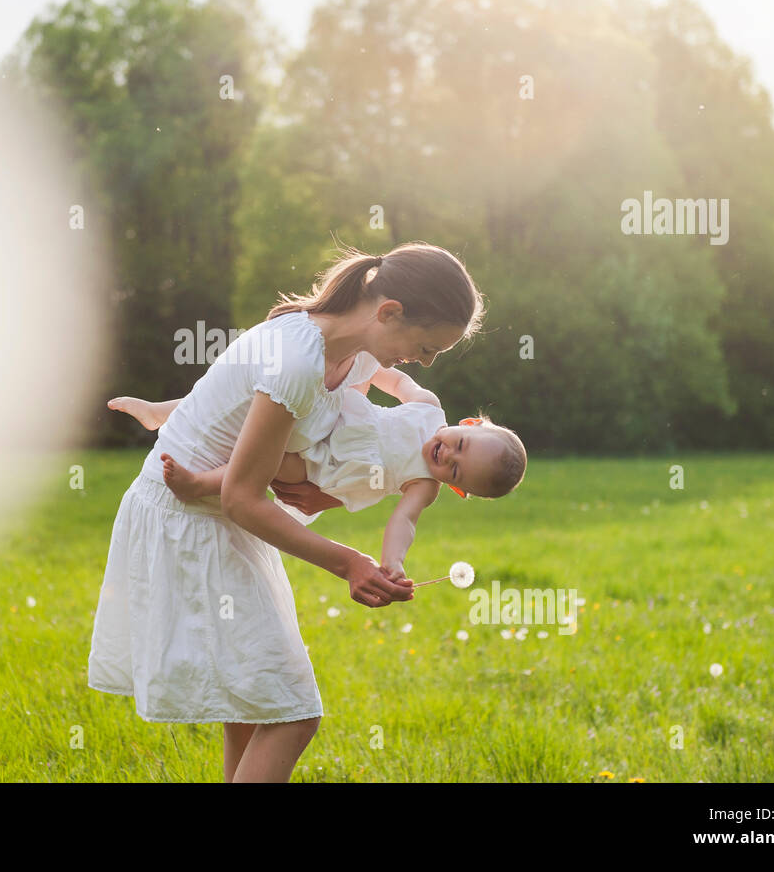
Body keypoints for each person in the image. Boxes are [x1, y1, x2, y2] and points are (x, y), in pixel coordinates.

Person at [87, 243, 485, 782]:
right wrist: (349, 563)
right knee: (293, 713)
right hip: (192, 520)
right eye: (427, 345)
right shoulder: (298, 359)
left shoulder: (354, 351)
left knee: (254, 709)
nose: (428, 362)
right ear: (389, 312)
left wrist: (325, 493)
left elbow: (305, 450)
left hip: (222, 520)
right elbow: (240, 498)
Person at [109, 384, 526, 584]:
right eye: (461, 444)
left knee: (270, 461)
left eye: (456, 470)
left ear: (456, 488)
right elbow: (395, 379)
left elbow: (405, 522)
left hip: (318, 467)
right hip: (332, 419)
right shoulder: (428, 406)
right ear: (468, 423)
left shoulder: (423, 485)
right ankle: (162, 411)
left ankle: (198, 484)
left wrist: (393, 560)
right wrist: (367, 357)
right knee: (261, 401)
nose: (448, 455)